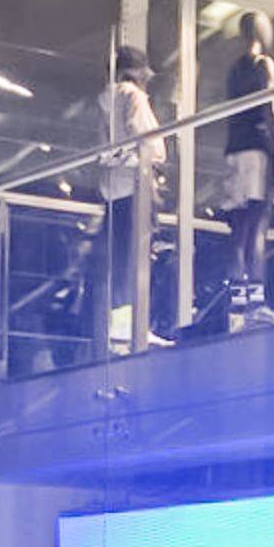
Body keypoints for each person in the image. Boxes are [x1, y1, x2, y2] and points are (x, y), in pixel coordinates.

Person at [93, 45, 169, 351]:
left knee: (120, 259)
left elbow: (103, 147)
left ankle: (121, 326)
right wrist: (156, 156)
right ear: (135, 71)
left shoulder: (104, 101)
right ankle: (136, 327)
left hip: (113, 187)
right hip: (136, 183)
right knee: (138, 257)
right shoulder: (133, 96)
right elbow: (147, 140)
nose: (147, 77)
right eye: (144, 71)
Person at [216, 12, 274, 327]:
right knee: (258, 228)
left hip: (234, 150)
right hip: (258, 149)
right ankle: (257, 302)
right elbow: (271, 110)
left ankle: (237, 304)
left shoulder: (234, 69)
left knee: (239, 232)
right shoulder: (264, 65)